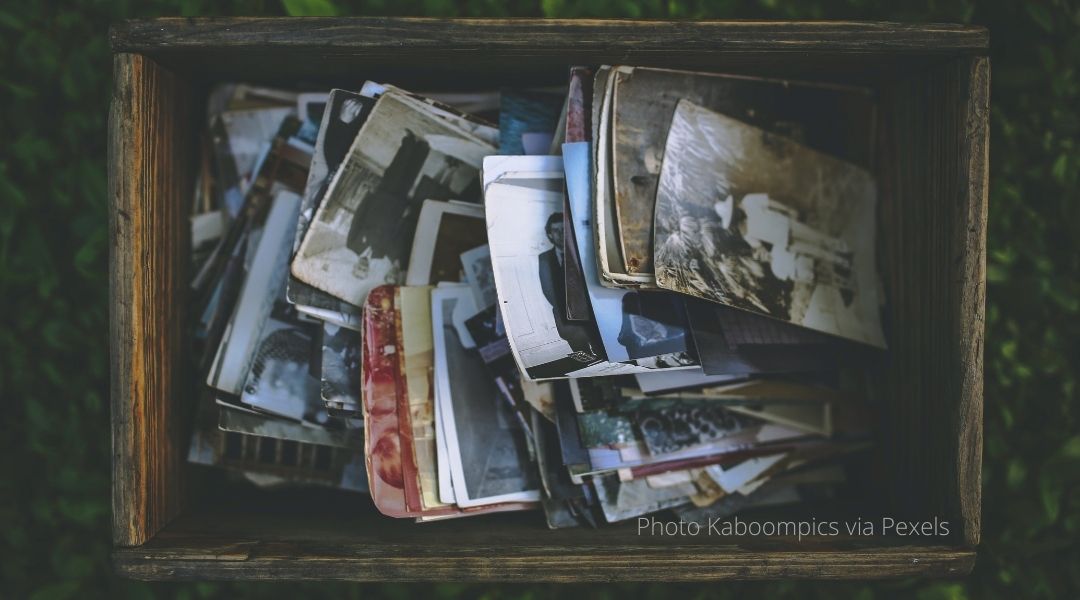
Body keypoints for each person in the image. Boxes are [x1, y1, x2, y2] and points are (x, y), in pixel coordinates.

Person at [537, 212, 596, 359]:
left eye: (563, 229)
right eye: (555, 231)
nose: (560, 234)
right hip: (565, 315)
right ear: (550, 235)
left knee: (600, 348)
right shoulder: (544, 259)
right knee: (582, 355)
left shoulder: (580, 251)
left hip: (590, 310)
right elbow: (547, 290)